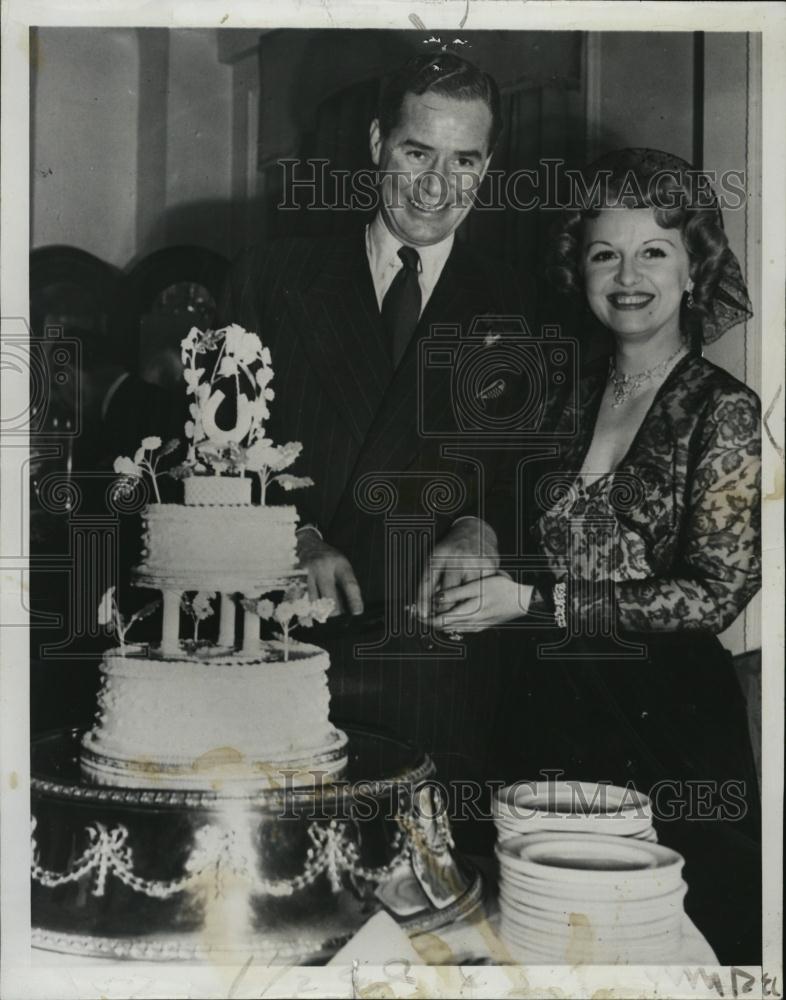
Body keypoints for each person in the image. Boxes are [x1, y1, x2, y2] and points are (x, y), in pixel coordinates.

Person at [424, 148, 762, 963]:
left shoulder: (727, 412)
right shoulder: (568, 391)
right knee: (538, 942)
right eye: (605, 253)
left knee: (663, 950)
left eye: (655, 251)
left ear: (694, 270)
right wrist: (476, 535)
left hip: (668, 731)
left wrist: (537, 604)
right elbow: (503, 501)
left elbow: (714, 597)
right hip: (543, 708)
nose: (627, 275)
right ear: (580, 271)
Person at [221, 51, 536, 841]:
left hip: (437, 678)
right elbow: (206, 453)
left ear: (488, 165)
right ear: (374, 143)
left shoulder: (524, 304)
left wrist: (483, 526)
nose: (437, 185)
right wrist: (289, 533)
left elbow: (542, 474)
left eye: (464, 160)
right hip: (277, 653)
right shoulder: (271, 278)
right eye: (416, 152)